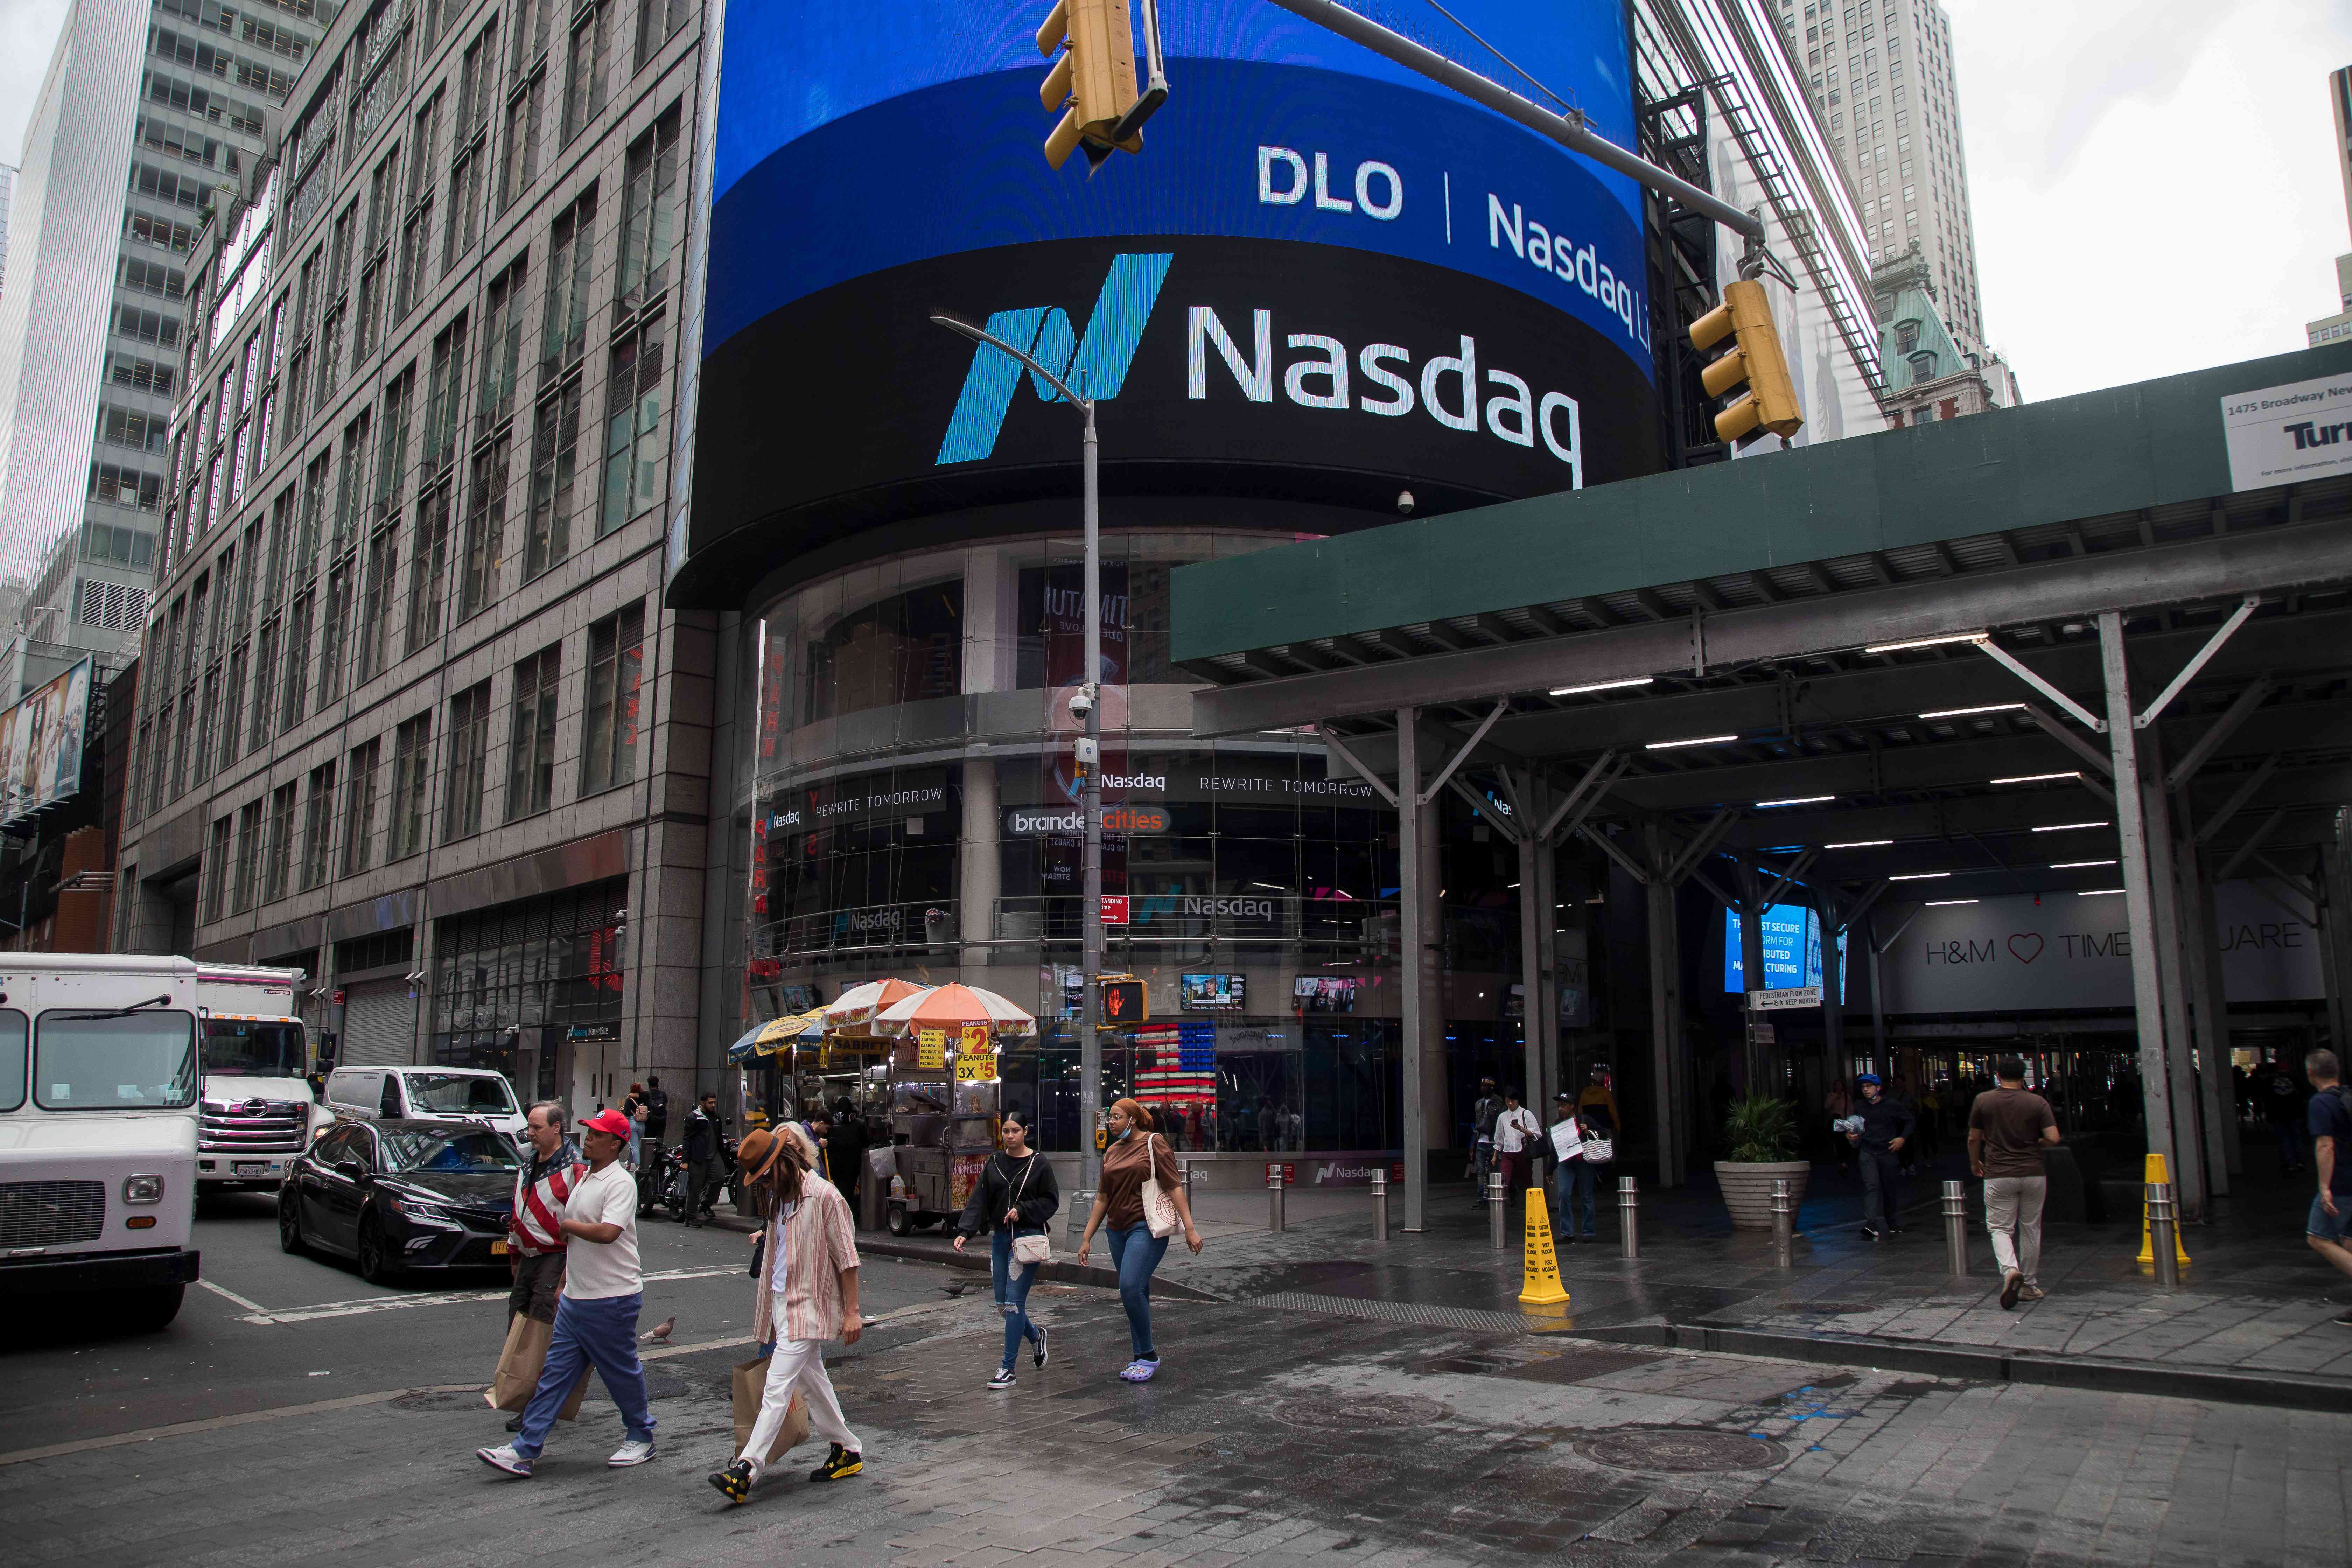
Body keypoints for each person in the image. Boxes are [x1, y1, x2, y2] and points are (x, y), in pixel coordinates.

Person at [478, 1108, 656, 1476]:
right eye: (589, 1131)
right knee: (554, 1375)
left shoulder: (620, 1182)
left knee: (620, 1370)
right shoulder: (588, 1177)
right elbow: (574, 1244)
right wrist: (563, 1285)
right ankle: (524, 1449)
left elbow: (609, 1232)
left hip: (612, 1297)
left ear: (617, 1144)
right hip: (578, 1297)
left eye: (597, 1134)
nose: (587, 1138)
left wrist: (568, 1225)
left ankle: (641, 1434)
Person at [708, 1127, 868, 1503]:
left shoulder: (826, 1196)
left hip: (807, 1305)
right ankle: (847, 1448)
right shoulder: (780, 1198)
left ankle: (747, 1468)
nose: (762, 1183)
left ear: (783, 1162)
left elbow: (848, 1259)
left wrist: (852, 1312)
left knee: (777, 1387)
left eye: (765, 1174)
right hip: (783, 1301)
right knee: (813, 1381)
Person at [1075, 1098, 1203, 1382]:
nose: (1111, 1122)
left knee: (1130, 1287)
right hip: (1116, 1231)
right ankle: (1139, 1358)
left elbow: (1173, 1186)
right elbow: (1102, 1198)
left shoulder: (1154, 1143)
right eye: (1110, 1117)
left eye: (1117, 1117)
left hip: (1146, 1228)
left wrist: (1190, 1229)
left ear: (1132, 1119)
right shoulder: (1111, 1152)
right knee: (1138, 1291)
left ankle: (1147, 1355)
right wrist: (1086, 1238)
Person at [953, 1109, 1060, 1387]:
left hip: (1027, 1240)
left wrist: (1023, 1210)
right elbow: (980, 1199)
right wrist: (965, 1231)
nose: (1010, 1136)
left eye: (1016, 1131)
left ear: (1026, 1132)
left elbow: (1051, 1201)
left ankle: (1007, 1369)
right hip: (1001, 1240)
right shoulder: (995, 1162)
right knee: (1003, 1306)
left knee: (1014, 1305)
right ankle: (1036, 1336)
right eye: (1006, 1131)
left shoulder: (1039, 1163)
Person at [502, 1100, 584, 1433]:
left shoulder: (575, 1168)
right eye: (530, 1128)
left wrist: (569, 1271)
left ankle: (537, 1404)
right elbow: (518, 1208)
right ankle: (525, 1394)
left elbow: (581, 1220)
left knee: (540, 1329)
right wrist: (514, 1250)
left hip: (556, 1255)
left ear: (556, 1128)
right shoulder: (528, 1162)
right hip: (531, 1256)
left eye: (537, 1128)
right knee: (520, 1323)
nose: (531, 1134)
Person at [1967, 1058, 2059, 1309]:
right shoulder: (2037, 1102)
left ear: (1997, 1076)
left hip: (1998, 1174)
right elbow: (2053, 1137)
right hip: (2033, 1173)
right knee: (2031, 1228)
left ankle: (2010, 1270)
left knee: (2000, 1229)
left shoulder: (1984, 1101)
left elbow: (1974, 1138)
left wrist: (1976, 1164)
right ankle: (2029, 1285)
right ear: (2023, 1077)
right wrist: (2037, 1145)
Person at [2302, 1050, 2352, 1327]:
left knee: (2318, 1238)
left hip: (2343, 1182)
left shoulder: (2321, 1103)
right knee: (2349, 1242)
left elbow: (2326, 1145)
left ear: (2311, 1073)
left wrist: (2325, 1187)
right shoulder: (2349, 1096)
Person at [1846, 1073, 1915, 1241]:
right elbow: (1854, 1127)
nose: (1866, 1090)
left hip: (1888, 1151)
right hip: (1868, 1151)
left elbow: (1910, 1121)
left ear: (1878, 1088)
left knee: (1888, 1187)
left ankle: (1892, 1222)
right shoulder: (1860, 1106)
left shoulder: (1892, 1104)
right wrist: (1850, 1135)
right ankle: (1871, 1224)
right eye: (1863, 1087)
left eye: (1869, 1087)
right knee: (1871, 1186)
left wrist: (1902, 1139)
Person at [1548, 1091, 1596, 1242]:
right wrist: (1550, 1170)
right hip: (1566, 1162)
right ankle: (1567, 1233)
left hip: (1584, 1162)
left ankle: (1589, 1232)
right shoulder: (1558, 1124)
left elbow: (1601, 1133)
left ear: (1572, 1107)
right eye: (1559, 1106)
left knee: (1587, 1196)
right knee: (1564, 1194)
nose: (1560, 1109)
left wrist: (1588, 1131)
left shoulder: (1584, 1119)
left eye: (1563, 1106)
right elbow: (1554, 1149)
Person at [683, 1091, 726, 1226]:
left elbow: (719, 1137)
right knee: (695, 1187)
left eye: (714, 1103)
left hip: (715, 1155)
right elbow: (687, 1139)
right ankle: (690, 1218)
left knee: (720, 1178)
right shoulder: (694, 1118)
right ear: (703, 1103)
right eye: (710, 1103)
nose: (713, 1105)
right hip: (699, 1157)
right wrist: (685, 1161)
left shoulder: (717, 1117)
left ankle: (705, 1204)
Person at [1492, 1088, 1542, 1198]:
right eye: (1508, 1101)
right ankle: (1504, 1209)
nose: (1510, 1103)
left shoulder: (1526, 1114)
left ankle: (1531, 1206)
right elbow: (1499, 1138)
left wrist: (1521, 1129)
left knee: (1527, 1181)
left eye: (1513, 1101)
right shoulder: (1503, 1117)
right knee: (1504, 1182)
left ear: (1518, 1100)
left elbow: (1537, 1134)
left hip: (1523, 1153)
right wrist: (1495, 1156)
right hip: (1507, 1154)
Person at [2264, 1060, 2311, 1174]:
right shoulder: (2296, 1081)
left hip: (2278, 1115)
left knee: (2284, 1138)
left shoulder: (2271, 1082)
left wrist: (2269, 1116)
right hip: (2295, 1114)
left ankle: (2289, 1163)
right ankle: (2300, 1162)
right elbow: (2304, 1097)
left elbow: (2268, 1101)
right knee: (2297, 1138)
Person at [1469, 1076, 1503, 1206]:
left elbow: (1501, 1122)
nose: (1483, 1088)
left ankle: (1506, 1193)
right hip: (1482, 1141)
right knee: (1481, 1171)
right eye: (1482, 1086)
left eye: (1486, 1086)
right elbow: (1478, 1126)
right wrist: (1473, 1145)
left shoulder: (1499, 1102)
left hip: (1495, 1141)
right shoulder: (1479, 1104)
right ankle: (1482, 1198)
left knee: (1498, 1171)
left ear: (1492, 1087)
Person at [1824, 1078, 1853, 1171]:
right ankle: (1842, 1161)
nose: (1838, 1087)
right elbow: (1827, 1106)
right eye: (1836, 1085)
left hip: (1846, 1121)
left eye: (1840, 1085)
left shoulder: (1847, 1097)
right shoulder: (1831, 1095)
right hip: (1836, 1121)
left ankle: (1845, 1159)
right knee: (1839, 1141)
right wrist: (1836, 1096)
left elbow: (1850, 1109)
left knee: (1846, 1141)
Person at [642, 1075, 671, 1166]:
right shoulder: (663, 1094)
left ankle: (649, 1162)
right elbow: (666, 1106)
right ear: (658, 1083)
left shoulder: (646, 1094)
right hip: (662, 1121)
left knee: (650, 1141)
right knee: (660, 1141)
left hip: (650, 1121)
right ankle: (658, 1162)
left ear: (649, 1084)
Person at [621, 1082, 647, 1170]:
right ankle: (628, 1163)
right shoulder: (645, 1099)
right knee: (634, 1145)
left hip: (633, 1123)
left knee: (635, 1145)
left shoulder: (630, 1099)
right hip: (643, 1124)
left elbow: (627, 1112)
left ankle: (638, 1166)